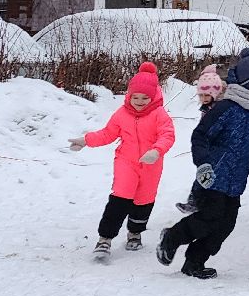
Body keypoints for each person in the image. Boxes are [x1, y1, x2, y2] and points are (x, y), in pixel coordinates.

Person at [157, 52, 249, 280]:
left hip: (236, 180)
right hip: (214, 175)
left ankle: (194, 262)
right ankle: (173, 236)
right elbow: (200, 136)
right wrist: (203, 164)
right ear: (248, 82)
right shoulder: (227, 108)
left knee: (226, 225)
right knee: (209, 218)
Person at [70, 62, 176, 262]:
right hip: (126, 162)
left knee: (144, 200)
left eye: (145, 98)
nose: (139, 101)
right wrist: (86, 140)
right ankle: (105, 239)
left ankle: (135, 233)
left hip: (151, 164)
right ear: (129, 95)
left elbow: (168, 135)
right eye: (135, 97)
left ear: (153, 97)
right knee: (120, 197)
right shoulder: (122, 113)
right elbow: (107, 134)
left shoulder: (159, 114)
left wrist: (156, 150)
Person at [175, 64, 226, 216]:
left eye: (206, 96)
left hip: (219, 147)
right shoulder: (208, 106)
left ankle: (207, 201)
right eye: (200, 96)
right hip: (208, 146)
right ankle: (195, 200)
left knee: (213, 174)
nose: (203, 99)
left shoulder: (221, 108)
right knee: (203, 171)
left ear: (215, 94)